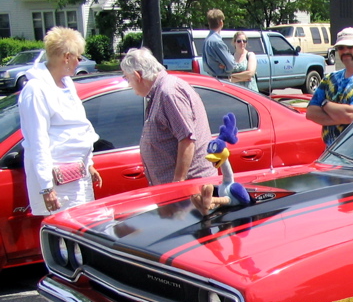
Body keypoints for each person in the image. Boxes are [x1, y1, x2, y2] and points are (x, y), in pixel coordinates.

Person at [20, 27, 102, 216]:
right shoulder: (36, 90)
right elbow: (37, 140)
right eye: (78, 57)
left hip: (78, 175)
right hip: (58, 181)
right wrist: (46, 187)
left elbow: (79, 125)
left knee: (83, 231)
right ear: (67, 57)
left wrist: (88, 162)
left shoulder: (67, 84)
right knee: (65, 236)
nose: (78, 62)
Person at [120, 47, 217, 185]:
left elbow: (187, 139)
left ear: (137, 75)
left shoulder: (168, 92)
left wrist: (178, 183)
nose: (129, 84)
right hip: (182, 190)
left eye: (127, 78)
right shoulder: (160, 91)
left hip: (191, 191)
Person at [202, 9, 235, 79]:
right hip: (222, 79)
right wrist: (226, 68)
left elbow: (205, 66)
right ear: (221, 23)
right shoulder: (217, 42)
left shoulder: (206, 40)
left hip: (212, 78)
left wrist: (224, 65)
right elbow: (232, 65)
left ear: (209, 23)